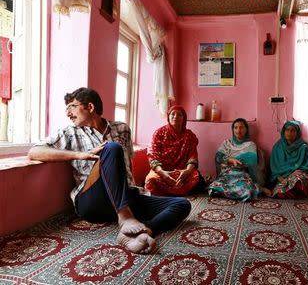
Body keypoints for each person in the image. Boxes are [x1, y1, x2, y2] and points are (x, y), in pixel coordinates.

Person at [28, 87, 191, 254]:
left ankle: (142, 232)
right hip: (93, 202)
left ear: (90, 107)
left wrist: (134, 193)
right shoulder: (69, 132)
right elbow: (34, 152)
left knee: (182, 204)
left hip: (124, 195)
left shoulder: (122, 129)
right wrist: (81, 155)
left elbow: (127, 165)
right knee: (111, 148)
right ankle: (125, 217)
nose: (68, 113)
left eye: (72, 106)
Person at [144, 105, 205, 196]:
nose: (175, 117)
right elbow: (152, 155)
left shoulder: (189, 136)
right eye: (173, 114)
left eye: (179, 115)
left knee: (196, 177)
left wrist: (187, 171)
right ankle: (178, 190)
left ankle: (170, 190)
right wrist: (162, 173)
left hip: (181, 171)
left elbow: (193, 156)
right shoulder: (159, 133)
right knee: (151, 181)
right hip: (162, 171)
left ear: (184, 119)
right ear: (168, 117)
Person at [263, 120, 308, 199]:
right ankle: (293, 192)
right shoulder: (278, 147)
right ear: (284, 131)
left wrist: (296, 172)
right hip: (282, 178)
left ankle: (294, 191)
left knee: (306, 181)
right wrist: (280, 178)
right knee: (280, 191)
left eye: (293, 130)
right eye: (287, 130)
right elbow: (274, 167)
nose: (289, 133)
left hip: (298, 175)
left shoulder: (304, 147)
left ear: (297, 133)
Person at [207, 118, 261, 201]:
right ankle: (230, 193)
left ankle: (227, 193)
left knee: (248, 191)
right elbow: (218, 157)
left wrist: (256, 183)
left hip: (242, 175)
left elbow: (252, 165)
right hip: (227, 174)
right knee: (214, 187)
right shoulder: (227, 143)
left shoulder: (250, 145)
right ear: (232, 129)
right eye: (235, 127)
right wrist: (229, 160)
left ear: (246, 129)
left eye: (241, 127)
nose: (238, 130)